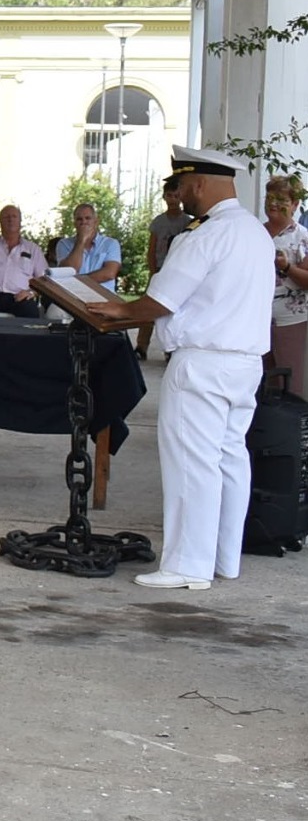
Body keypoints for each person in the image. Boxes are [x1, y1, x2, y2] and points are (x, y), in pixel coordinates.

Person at [87, 148, 280, 588]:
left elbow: (159, 303)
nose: (179, 195)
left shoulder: (205, 236)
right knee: (230, 459)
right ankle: (223, 559)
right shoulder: (254, 232)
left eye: (181, 186)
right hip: (244, 364)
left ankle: (187, 566)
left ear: (197, 184)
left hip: (202, 364)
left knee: (193, 464)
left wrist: (111, 311)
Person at [266, 174, 307, 399]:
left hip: (289, 320)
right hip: (254, 319)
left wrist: (287, 267)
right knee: (259, 381)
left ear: (294, 204)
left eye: (281, 199)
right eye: (270, 197)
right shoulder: (255, 233)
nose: (273, 204)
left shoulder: (303, 238)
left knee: (289, 386)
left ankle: (289, 434)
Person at [140, 176, 190, 360]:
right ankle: (141, 346)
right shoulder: (158, 222)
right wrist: (154, 271)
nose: (173, 200)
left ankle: (171, 349)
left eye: (177, 196)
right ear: (164, 197)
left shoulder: (187, 222)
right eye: (169, 195)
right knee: (148, 309)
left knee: (173, 310)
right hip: (160, 268)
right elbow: (152, 249)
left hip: (177, 270)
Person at [0, 205, 48, 318]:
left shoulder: (33, 249)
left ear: (20, 221)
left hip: (20, 297)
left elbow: (44, 280)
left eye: (14, 216)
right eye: (6, 217)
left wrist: (31, 293)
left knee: (31, 315)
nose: (10, 219)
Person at [52, 203, 124, 287]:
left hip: (104, 297)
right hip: (73, 297)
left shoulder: (110, 243)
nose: (84, 222)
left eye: (88, 218)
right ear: (74, 224)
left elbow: (109, 273)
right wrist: (81, 241)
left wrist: (76, 282)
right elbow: (67, 271)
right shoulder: (64, 244)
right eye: (79, 219)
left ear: (96, 222)